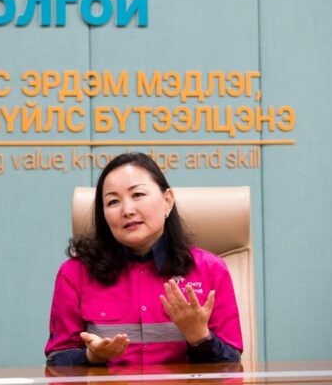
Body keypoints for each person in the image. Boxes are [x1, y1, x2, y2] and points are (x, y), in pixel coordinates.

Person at [45, 152, 243, 366]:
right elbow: (57, 361)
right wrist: (92, 356)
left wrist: (200, 338)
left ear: (167, 201)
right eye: (113, 201)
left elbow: (232, 364)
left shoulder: (210, 269)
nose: (127, 210)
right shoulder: (75, 274)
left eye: (137, 194)